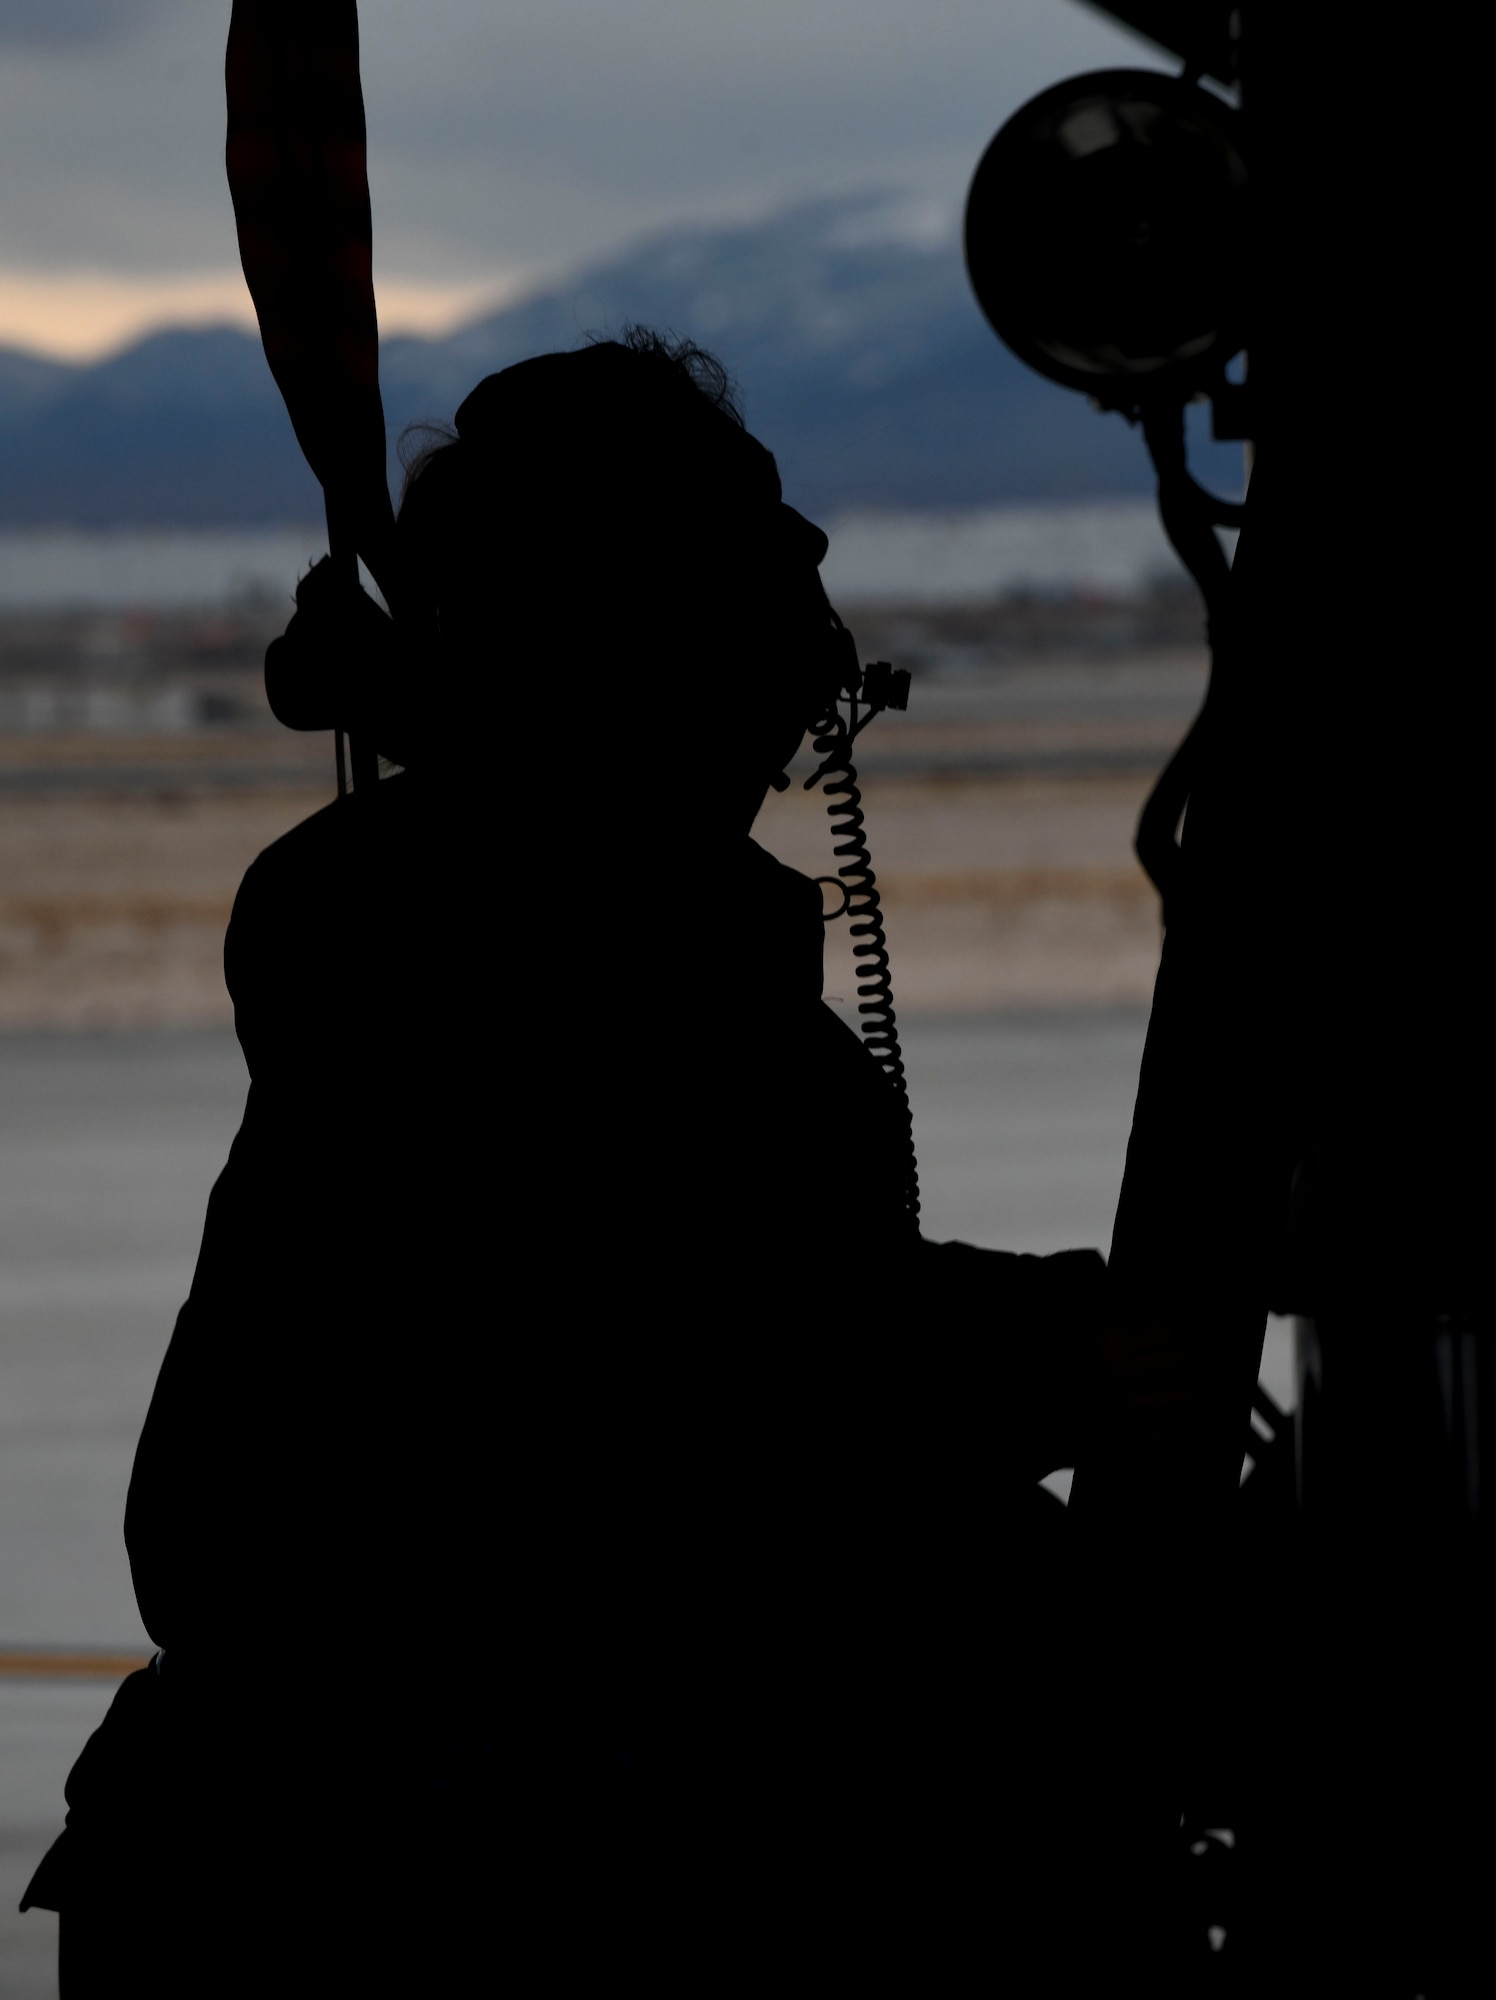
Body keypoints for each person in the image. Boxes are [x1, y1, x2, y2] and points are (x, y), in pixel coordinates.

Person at [26, 331, 1108, 1991]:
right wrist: (1086, 1348)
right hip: (456, 1872)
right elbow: (723, 1364)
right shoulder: (528, 947)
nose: (805, 652)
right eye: (746, 589)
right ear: (635, 641)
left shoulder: (516, 908)